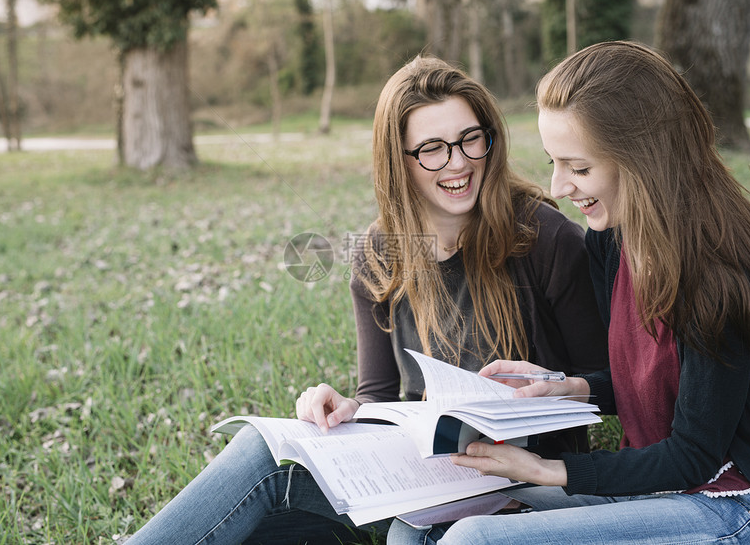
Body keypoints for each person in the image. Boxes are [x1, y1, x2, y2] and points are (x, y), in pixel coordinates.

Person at [125, 56, 609, 545]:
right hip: (420, 478)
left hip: (524, 488)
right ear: (397, 160)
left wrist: (554, 390)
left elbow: (610, 386)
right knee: (260, 462)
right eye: (432, 150)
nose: (458, 162)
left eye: (469, 139)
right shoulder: (380, 253)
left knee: (408, 535)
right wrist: (345, 408)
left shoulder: (545, 238)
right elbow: (378, 397)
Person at [388, 40, 750, 545]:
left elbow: (694, 454)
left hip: (735, 505)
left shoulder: (718, 276)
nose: (557, 187)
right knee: (421, 520)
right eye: (555, 162)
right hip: (653, 483)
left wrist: (547, 469)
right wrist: (569, 387)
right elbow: (648, 380)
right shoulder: (612, 240)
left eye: (579, 169)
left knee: (475, 539)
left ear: (645, 161)